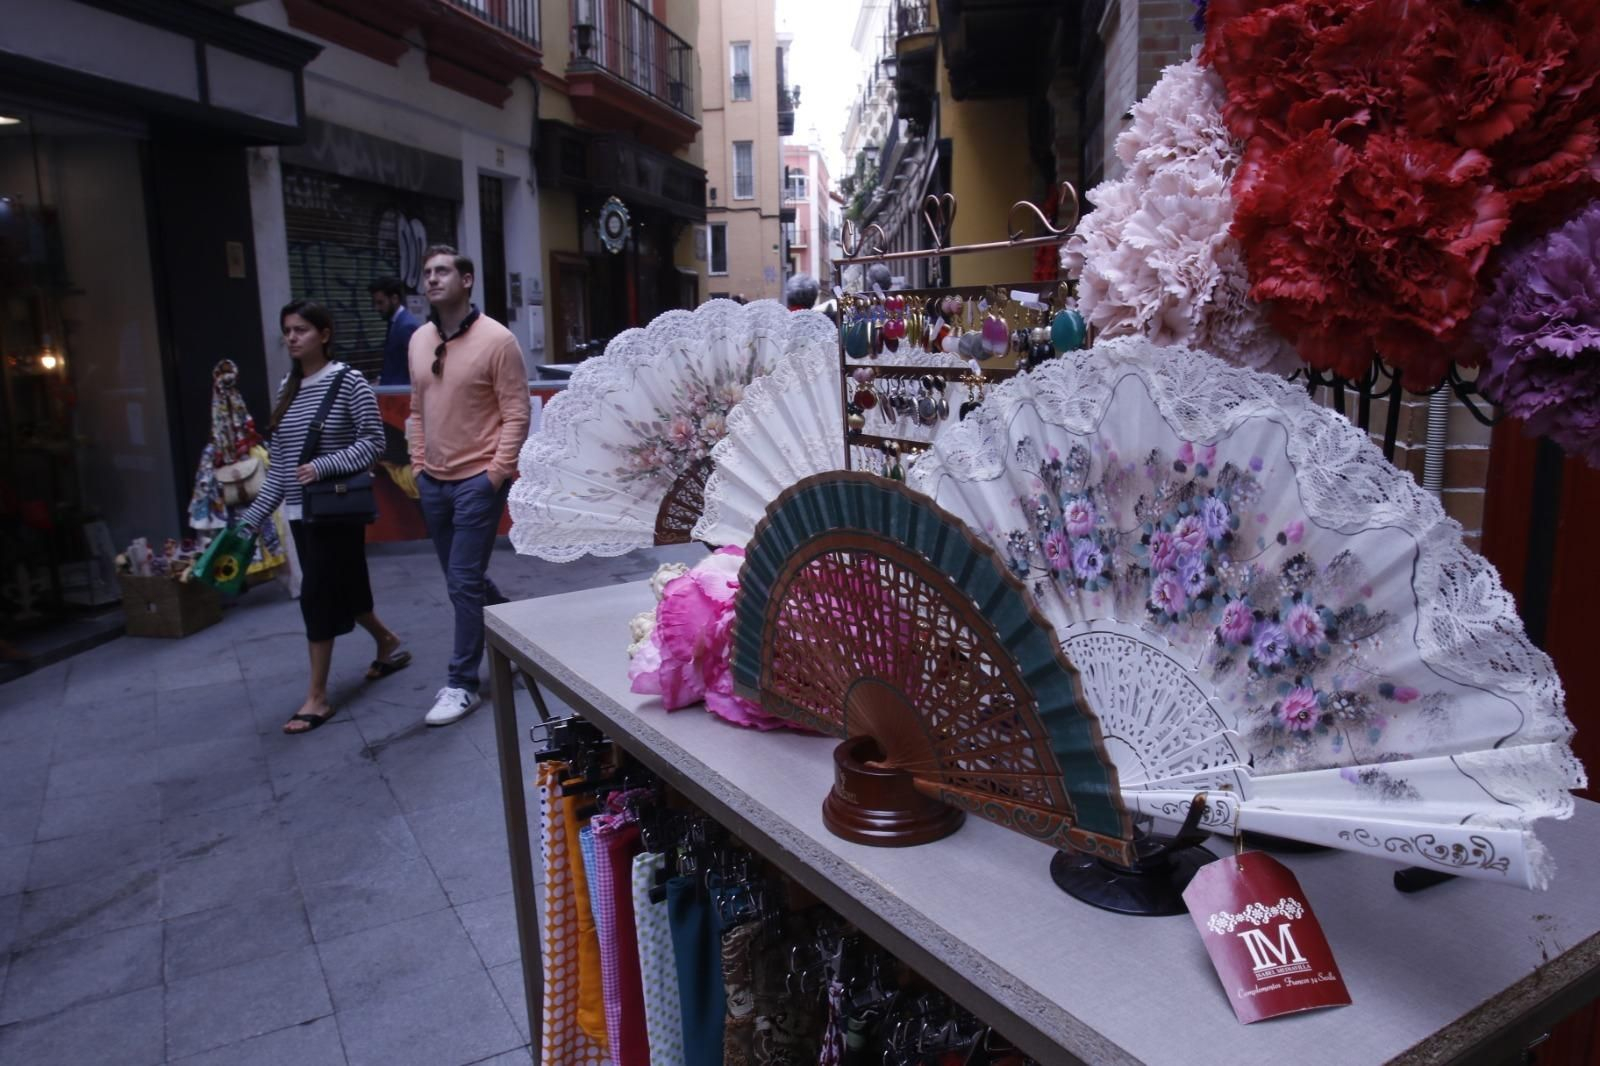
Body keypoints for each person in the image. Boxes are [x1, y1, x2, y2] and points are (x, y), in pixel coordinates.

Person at [238, 300, 410, 735]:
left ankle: (317, 697)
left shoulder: (348, 381)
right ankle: (387, 642)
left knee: (316, 595)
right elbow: (279, 467)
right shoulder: (286, 388)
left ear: (324, 334)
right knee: (346, 589)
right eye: (287, 331)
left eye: (301, 330)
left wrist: (323, 465)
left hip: (334, 509)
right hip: (300, 511)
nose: (292, 338)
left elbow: (374, 443)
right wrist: (252, 518)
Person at [407, 244, 531, 726]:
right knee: (466, 581)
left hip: (477, 480)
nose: (432, 279)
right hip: (433, 481)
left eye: (443, 271)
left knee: (461, 581)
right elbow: (417, 410)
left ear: (467, 280)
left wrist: (494, 474)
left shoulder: (498, 341)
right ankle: (518, 639)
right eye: (428, 272)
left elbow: (516, 413)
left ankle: (462, 684)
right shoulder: (419, 340)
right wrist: (418, 464)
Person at [369, 276, 422, 386]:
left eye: (380, 303)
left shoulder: (406, 326)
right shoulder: (394, 321)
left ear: (394, 299)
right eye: (375, 303)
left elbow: (417, 368)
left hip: (400, 395)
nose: (376, 308)